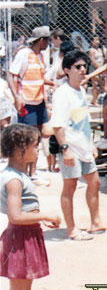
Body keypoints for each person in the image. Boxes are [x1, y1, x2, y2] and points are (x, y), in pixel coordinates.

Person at [1, 123, 61, 290]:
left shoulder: (18, 175)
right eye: (35, 146)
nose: (38, 151)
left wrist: (37, 218)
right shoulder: (13, 179)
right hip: (20, 238)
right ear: (20, 150)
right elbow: (15, 216)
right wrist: (44, 215)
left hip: (26, 235)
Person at [52, 50, 107, 240]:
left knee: (95, 182)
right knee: (70, 187)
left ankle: (96, 222)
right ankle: (71, 229)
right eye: (78, 67)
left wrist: (91, 144)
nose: (83, 70)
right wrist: (65, 149)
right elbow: (58, 125)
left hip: (84, 147)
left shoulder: (80, 91)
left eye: (85, 66)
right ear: (67, 70)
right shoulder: (62, 93)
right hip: (69, 148)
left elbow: (82, 122)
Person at [7, 27, 51, 180]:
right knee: (28, 138)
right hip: (27, 102)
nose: (48, 43)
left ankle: (32, 172)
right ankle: (24, 171)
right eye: (47, 40)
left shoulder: (40, 56)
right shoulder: (24, 54)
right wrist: (16, 98)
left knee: (37, 138)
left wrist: (52, 84)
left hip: (39, 101)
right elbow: (11, 74)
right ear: (41, 40)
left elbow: (39, 78)